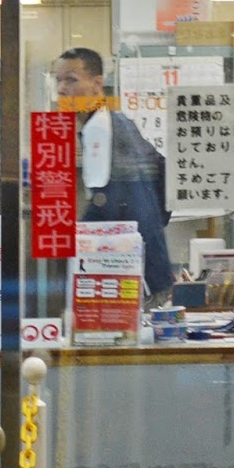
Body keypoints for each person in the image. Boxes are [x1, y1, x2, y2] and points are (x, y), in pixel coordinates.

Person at [52, 47, 174, 298]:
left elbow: (107, 205)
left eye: (71, 80)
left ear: (97, 84)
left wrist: (69, 245)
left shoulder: (102, 130)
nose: (62, 89)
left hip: (133, 276)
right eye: (58, 80)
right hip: (142, 268)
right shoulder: (115, 122)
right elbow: (162, 174)